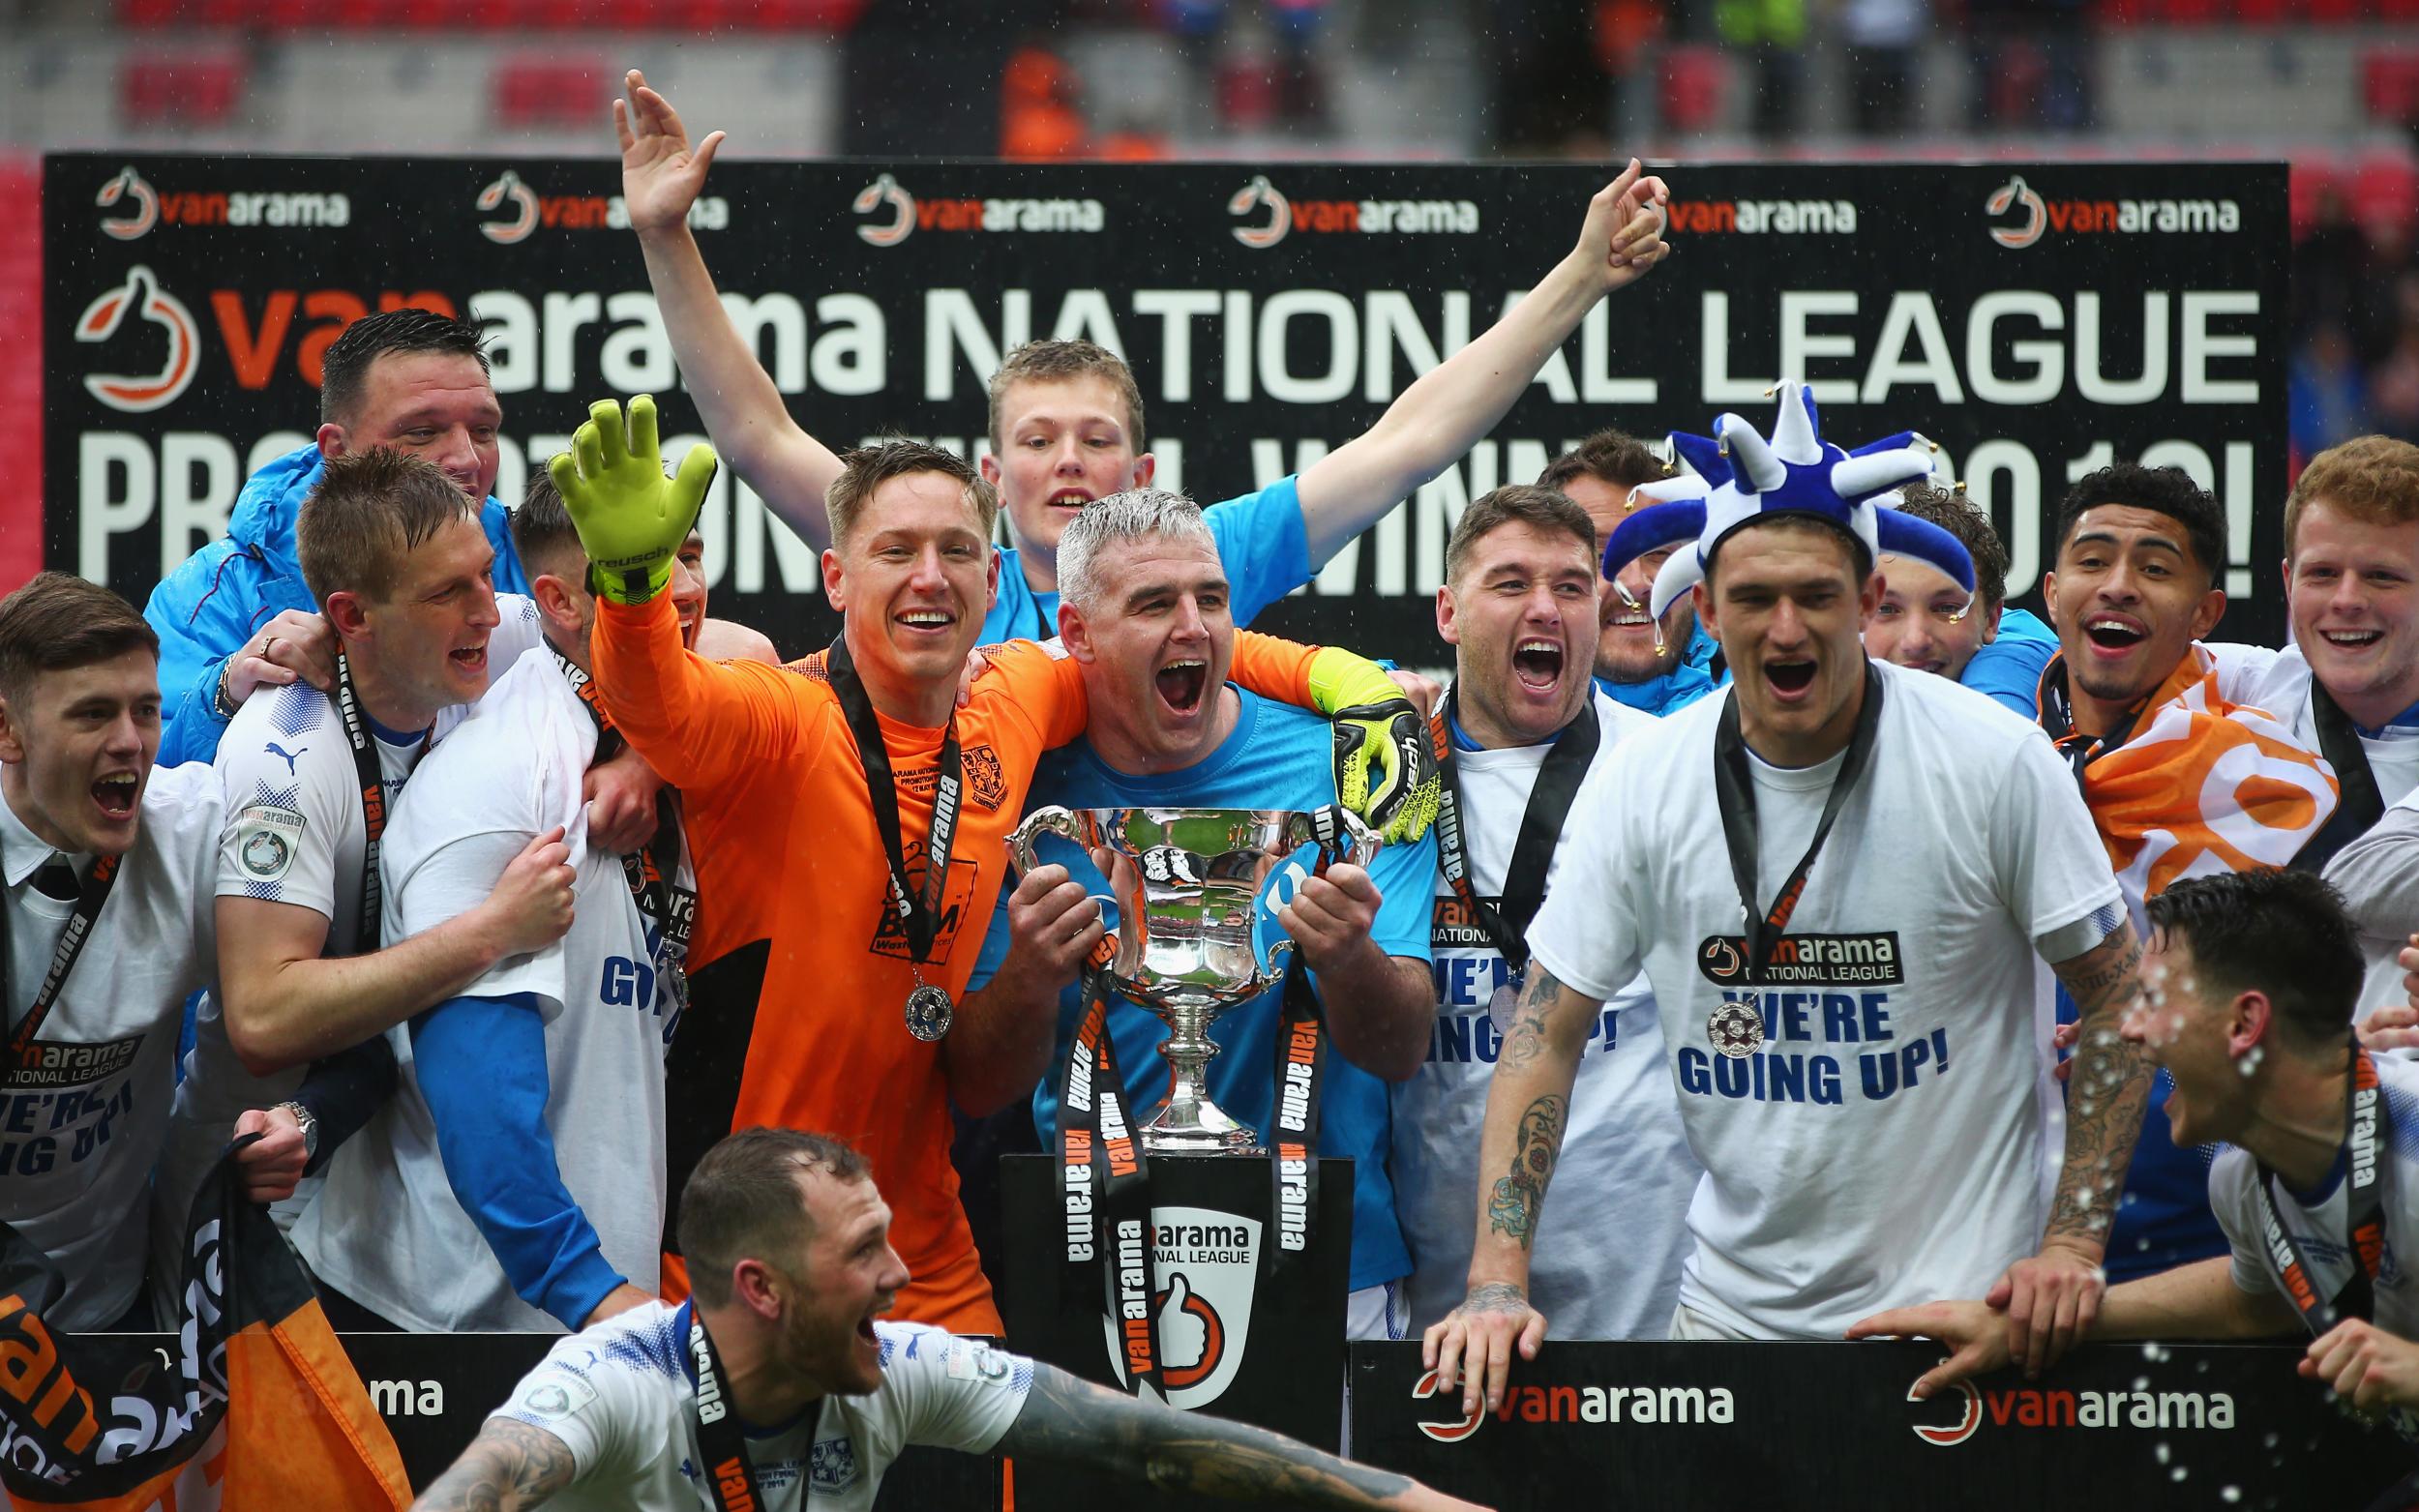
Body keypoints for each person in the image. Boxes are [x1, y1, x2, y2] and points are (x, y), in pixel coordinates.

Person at [555, 401, 1425, 1336]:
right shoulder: (776, 720)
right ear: (836, 578)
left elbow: (1158, 631)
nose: (930, 577)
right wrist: (635, 592)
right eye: (896, 551)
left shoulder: (1019, 696)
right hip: (747, 1245)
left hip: (917, 1245)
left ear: (995, 574)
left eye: (956, 551)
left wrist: (1349, 677)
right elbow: (662, 703)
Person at [1421, 383, 2149, 1413]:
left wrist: (2073, 1244)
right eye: (1754, 598)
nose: (1786, 627)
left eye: (1816, 594)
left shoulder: (1994, 761)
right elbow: (1543, 1032)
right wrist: (1497, 1282)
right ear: (1706, 611)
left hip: (1963, 1320)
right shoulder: (1645, 780)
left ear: (1863, 601)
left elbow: (2121, 997)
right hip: (1729, 1325)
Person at [612, 68, 1671, 644]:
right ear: (990, 478)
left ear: (1144, 477)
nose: (1068, 460)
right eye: (1036, 439)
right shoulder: (936, 556)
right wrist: (666, 235)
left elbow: (1410, 441)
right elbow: (756, 437)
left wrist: (1577, 277)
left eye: (1095, 439)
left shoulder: (1205, 560)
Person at [410, 1127, 1487, 1512]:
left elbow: (1149, 1442)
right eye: (863, 1252)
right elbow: (480, 1489)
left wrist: (1405, 1503)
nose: (901, 1273)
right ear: (761, 1288)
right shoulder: (612, 1381)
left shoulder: (898, 1366)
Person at [971, 490, 1442, 1338]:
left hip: (1326, 1261)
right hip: (1094, 1250)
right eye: (1154, 604)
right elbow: (978, 1083)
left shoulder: (1346, 763)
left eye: (1213, 600)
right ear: (1075, 633)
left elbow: (1400, 1047)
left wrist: (1345, 958)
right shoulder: (1023, 781)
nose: (1194, 627)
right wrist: (1031, 974)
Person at [155, 450, 581, 1318]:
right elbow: (265, 1016)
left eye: (482, 579)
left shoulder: (479, 635)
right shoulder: (286, 750)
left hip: (379, 1141)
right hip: (255, 1183)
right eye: (446, 594)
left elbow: (713, 649)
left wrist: (643, 758)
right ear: (351, 615)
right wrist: (493, 930)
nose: (483, 613)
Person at [290, 463, 703, 1335]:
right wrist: (590, 1291)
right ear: (560, 603)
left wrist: (650, 756)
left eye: (687, 560)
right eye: (640, 576)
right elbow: (481, 1100)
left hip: (568, 1307)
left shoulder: (678, 732)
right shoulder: (497, 786)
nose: (682, 594)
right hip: (455, 1320)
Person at [1851, 869, 2419, 1444]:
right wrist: (2022, 1326)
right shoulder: (2238, 1177)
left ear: (2244, 1022)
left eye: (2149, 999)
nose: (2126, 1030)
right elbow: (2256, 1300)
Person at [1388, 485, 1696, 1338]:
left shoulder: (1669, 770)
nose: (1545, 608)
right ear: (1448, 611)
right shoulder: (1386, 767)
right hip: (1437, 1296)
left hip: (1647, 1293)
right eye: (1510, 583)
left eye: (1569, 586)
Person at [2036, 461, 2340, 1284]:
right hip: (2012, 1225)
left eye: (2156, 567)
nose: (2120, 585)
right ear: (2052, 589)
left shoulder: (2272, 769)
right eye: (2093, 560)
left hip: (2218, 1230)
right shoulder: (1993, 760)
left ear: (2206, 612)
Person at [0, 574, 284, 1329]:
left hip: (108, 1316)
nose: (130, 739)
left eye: (145, 710)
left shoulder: (191, 828)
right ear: (9, 732)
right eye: (93, 713)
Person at [143, 308, 530, 766]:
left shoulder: (537, 559)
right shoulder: (211, 596)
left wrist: (629, 761)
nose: (466, 459)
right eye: (423, 432)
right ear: (337, 451)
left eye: (483, 430)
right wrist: (226, 692)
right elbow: (144, 785)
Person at [1534, 430, 1721, 716]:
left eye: (1659, 552)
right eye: (1598, 557)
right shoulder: (1474, 734)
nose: (1635, 583)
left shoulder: (1767, 725)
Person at [1865, 482, 2058, 716]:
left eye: (1946, 608)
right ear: (1855, 612)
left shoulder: (2009, 672)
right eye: (1886, 609)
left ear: (1991, 620)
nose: (1915, 641)